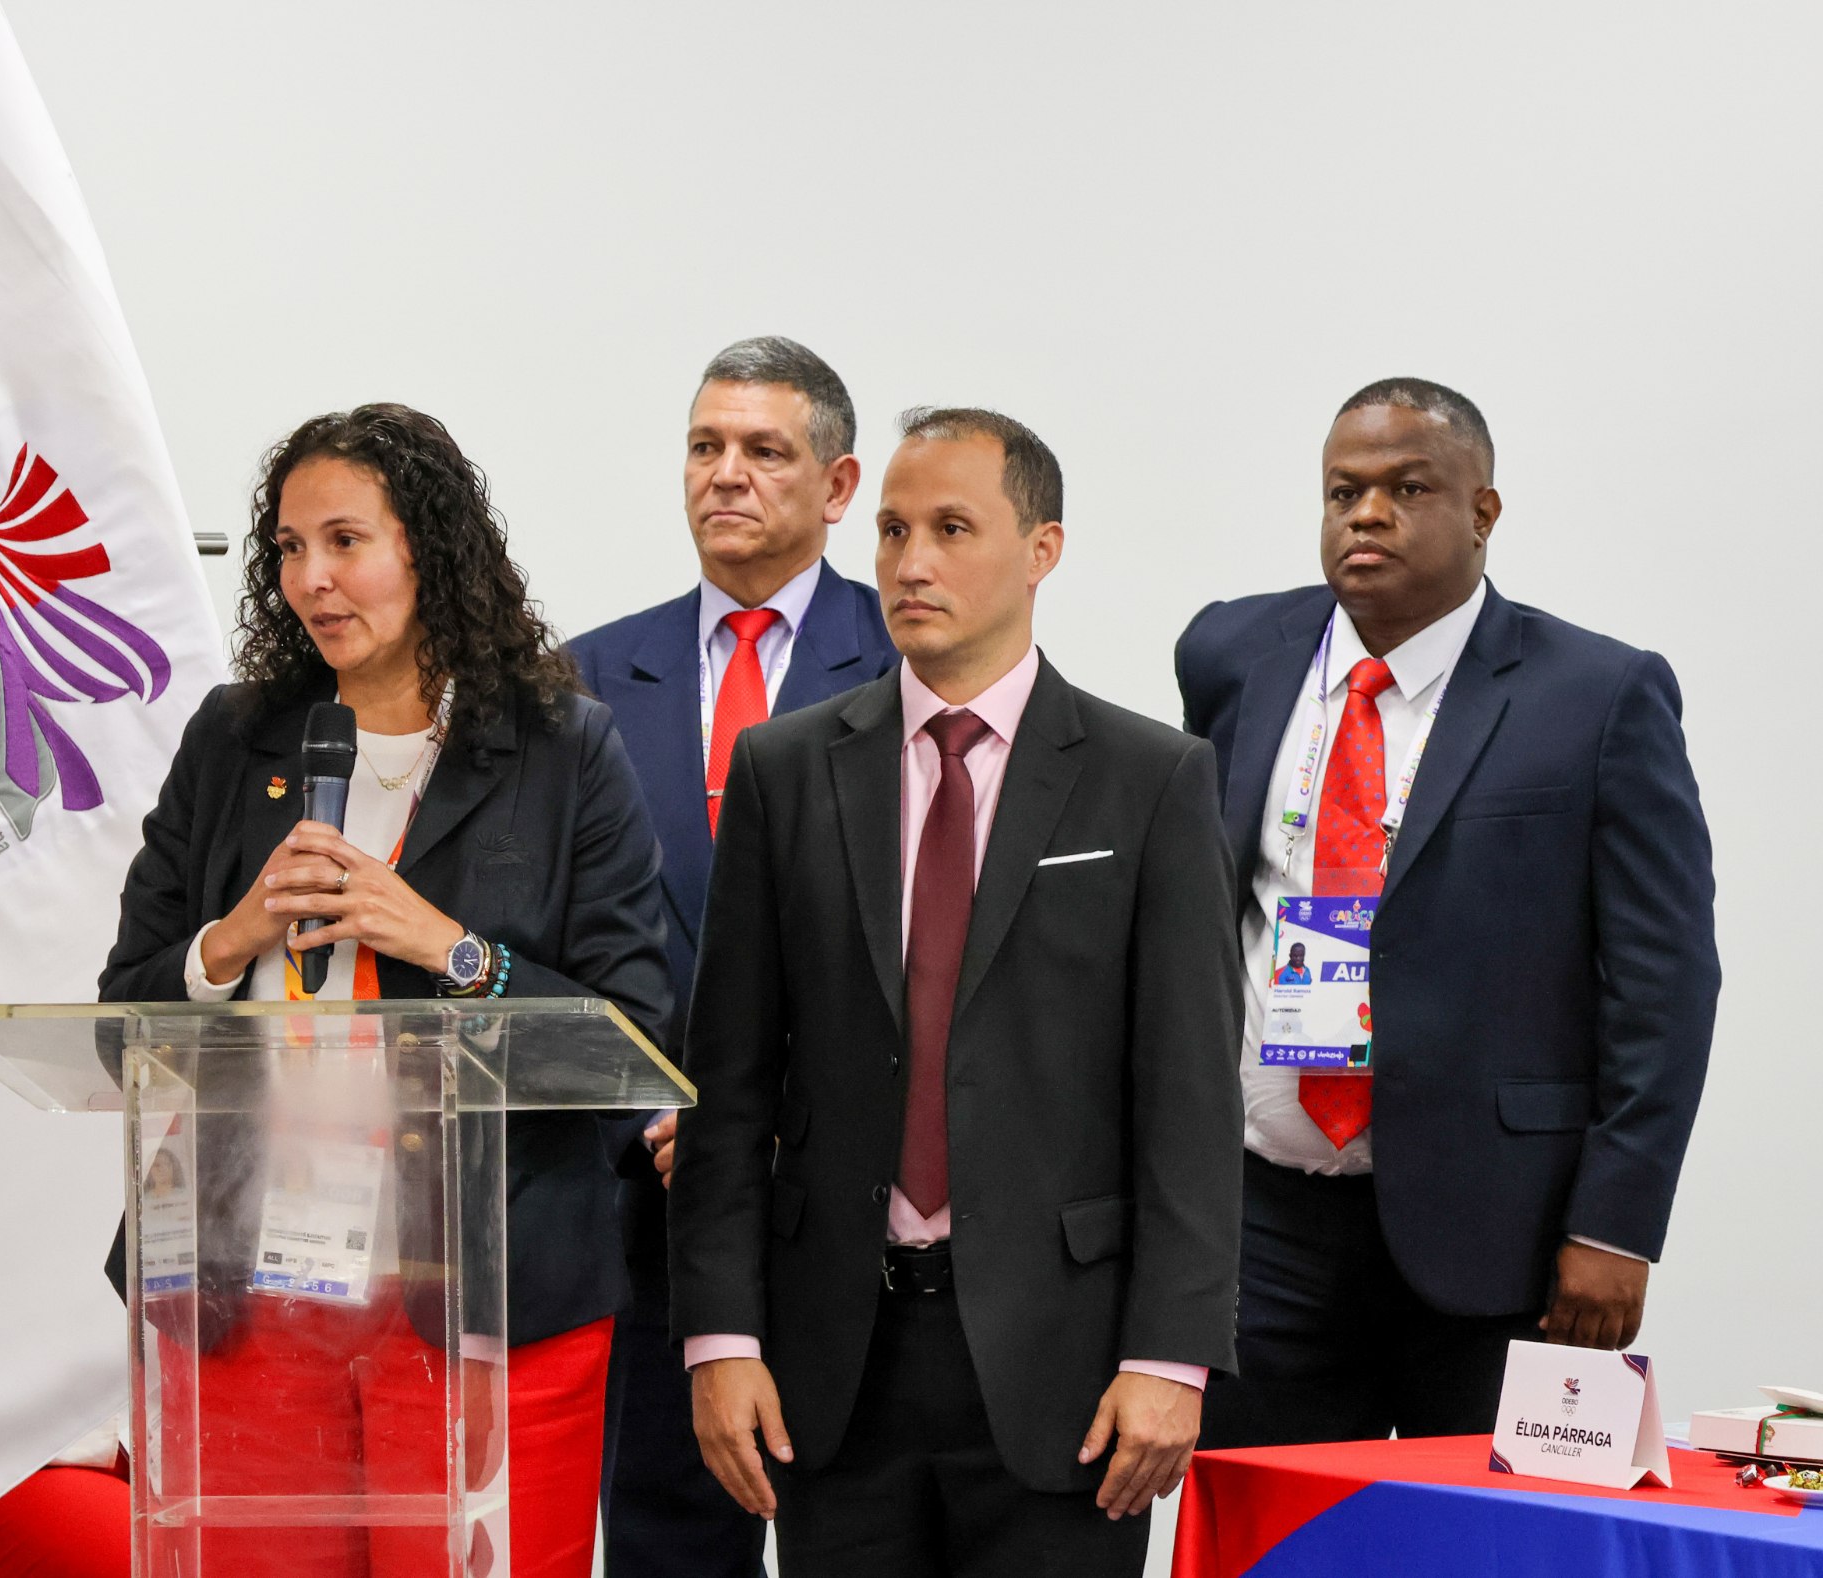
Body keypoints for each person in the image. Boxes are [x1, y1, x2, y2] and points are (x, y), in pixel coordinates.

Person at [96, 402, 672, 1577]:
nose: (311, 578)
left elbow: (629, 1044)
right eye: (288, 548)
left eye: (344, 542)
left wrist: (454, 952)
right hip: (250, 1296)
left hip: (482, 1299)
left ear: (428, 549)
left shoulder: (561, 750)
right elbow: (122, 1022)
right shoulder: (236, 739)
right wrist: (231, 939)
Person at [668, 408, 1242, 1576]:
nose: (910, 562)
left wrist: (1170, 1356)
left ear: (1042, 549)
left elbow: (1188, 1096)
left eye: (950, 528)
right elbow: (727, 1085)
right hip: (831, 1362)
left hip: (1066, 1369)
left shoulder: (1149, 779)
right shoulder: (786, 768)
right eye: (890, 531)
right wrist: (718, 1337)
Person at [1177, 378, 1719, 1446]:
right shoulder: (1234, 654)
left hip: (1502, 1235)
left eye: (1407, 488)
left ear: (1483, 512)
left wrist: (1616, 1225)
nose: (1366, 515)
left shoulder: (1598, 694)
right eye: (1343, 492)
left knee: (1481, 1527)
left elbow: (1663, 982)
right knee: (1277, 1525)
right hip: (1261, 1226)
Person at [567, 335, 897, 1578]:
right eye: (705, 447)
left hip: (855, 1210)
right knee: (670, 1547)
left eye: (764, 450)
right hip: (647, 1204)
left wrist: (771, 1125)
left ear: (839, 483)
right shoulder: (587, 677)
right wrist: (656, 1119)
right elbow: (561, 940)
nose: (725, 474)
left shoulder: (912, 659)